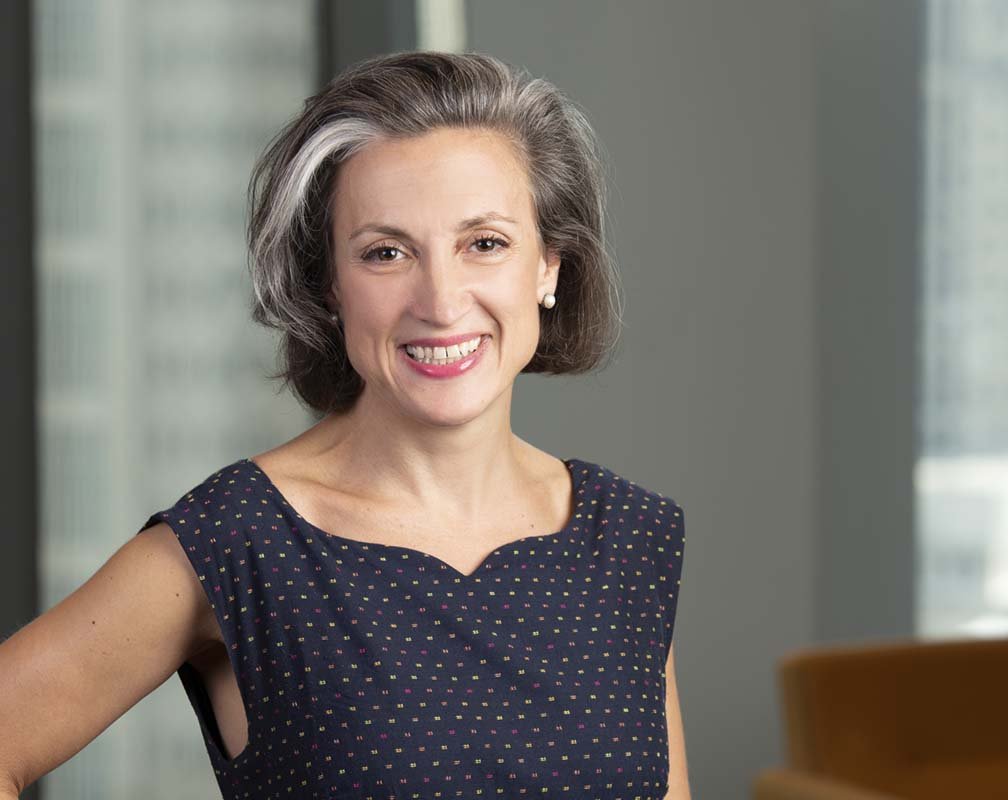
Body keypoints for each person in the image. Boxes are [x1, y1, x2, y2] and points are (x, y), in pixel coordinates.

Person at [0, 51, 690, 799]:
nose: (442, 300)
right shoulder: (242, 541)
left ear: (548, 267)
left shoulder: (626, 537)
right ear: (330, 286)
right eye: (386, 253)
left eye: (484, 243)